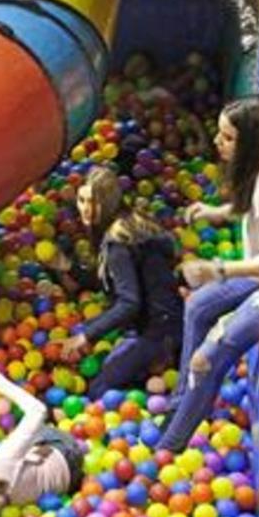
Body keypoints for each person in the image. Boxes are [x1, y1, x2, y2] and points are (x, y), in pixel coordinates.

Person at [158, 95, 259, 452]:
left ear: (251, 142)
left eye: (227, 138)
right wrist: (216, 212)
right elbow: (253, 206)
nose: (217, 143)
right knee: (197, 306)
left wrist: (219, 269)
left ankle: (169, 446)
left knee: (208, 358)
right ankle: (182, 404)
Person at [60, 166, 184, 399]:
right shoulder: (130, 221)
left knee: (98, 390)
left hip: (157, 330)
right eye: (81, 200)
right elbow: (113, 281)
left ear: (107, 203)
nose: (86, 209)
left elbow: (129, 302)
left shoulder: (118, 241)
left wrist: (86, 336)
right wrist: (69, 268)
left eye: (94, 202)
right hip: (167, 319)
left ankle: (152, 395)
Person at [0, 359, 84, 517]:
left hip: (63, 487)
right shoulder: (3, 459)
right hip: (69, 455)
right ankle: (56, 416)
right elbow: (38, 411)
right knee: (28, 430)